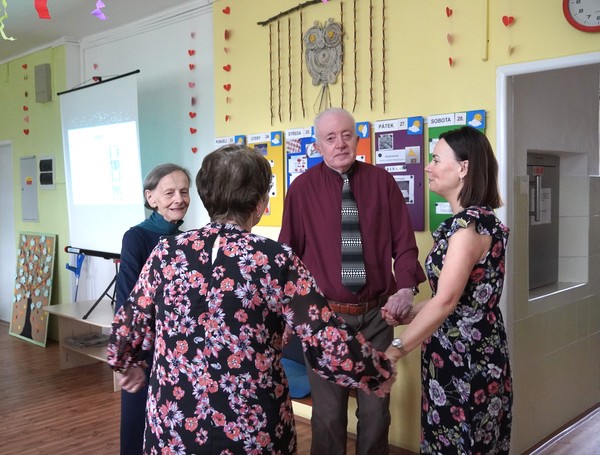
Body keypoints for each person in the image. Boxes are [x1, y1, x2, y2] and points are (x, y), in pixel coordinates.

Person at [107, 145, 398, 454]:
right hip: (252, 426)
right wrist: (377, 371)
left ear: (205, 197)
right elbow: (324, 336)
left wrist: (126, 361)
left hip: (174, 423)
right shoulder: (275, 259)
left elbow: (127, 324)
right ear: (259, 204)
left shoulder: (166, 253)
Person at [279, 107, 426, 455]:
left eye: (347, 135)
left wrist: (406, 289)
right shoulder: (301, 189)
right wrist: (288, 313)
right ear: (318, 146)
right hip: (325, 319)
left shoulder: (382, 182)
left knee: (375, 413)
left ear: (358, 139)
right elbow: (288, 257)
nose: (340, 144)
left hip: (377, 317)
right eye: (330, 138)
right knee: (329, 416)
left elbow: (405, 245)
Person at [386, 126, 513, 454]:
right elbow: (458, 300)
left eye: (436, 159)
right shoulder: (477, 221)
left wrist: (395, 350)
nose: (428, 167)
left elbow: (446, 302)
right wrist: (409, 313)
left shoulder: (468, 229)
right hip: (463, 348)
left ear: (463, 168)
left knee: (462, 442)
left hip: (465, 358)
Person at [114, 163, 191, 455]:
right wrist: (130, 356)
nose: (178, 199)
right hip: (147, 349)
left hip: (179, 350)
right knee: (138, 426)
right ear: (151, 198)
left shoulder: (187, 239)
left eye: (184, 191)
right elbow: (127, 300)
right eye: (169, 193)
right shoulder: (136, 237)